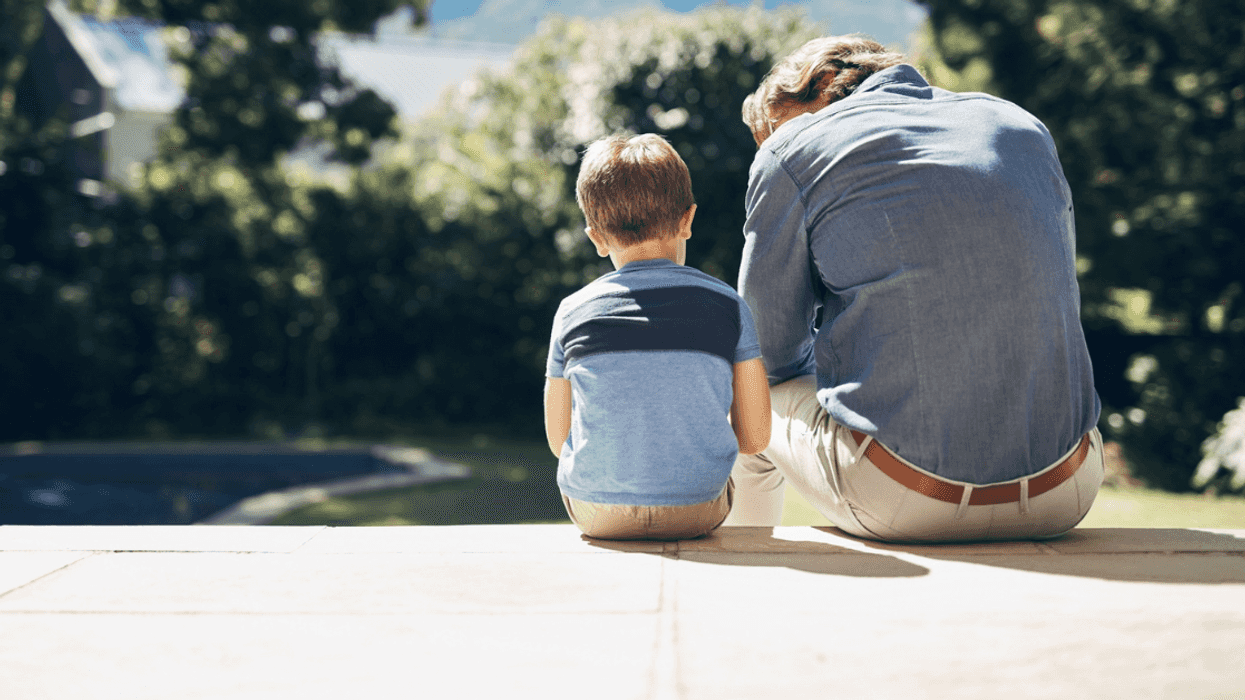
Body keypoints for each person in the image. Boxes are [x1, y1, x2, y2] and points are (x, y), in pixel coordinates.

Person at [725, 36, 1104, 542]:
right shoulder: (1021, 126)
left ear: (821, 82)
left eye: (778, 128)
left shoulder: (791, 153)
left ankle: (740, 582)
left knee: (748, 391)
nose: (775, 144)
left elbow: (765, 352)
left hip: (908, 499)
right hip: (1067, 488)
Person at [544, 133, 771, 540]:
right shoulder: (728, 305)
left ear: (596, 237)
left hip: (597, 514)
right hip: (698, 511)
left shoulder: (572, 312)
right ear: (687, 219)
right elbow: (754, 438)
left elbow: (559, 441)